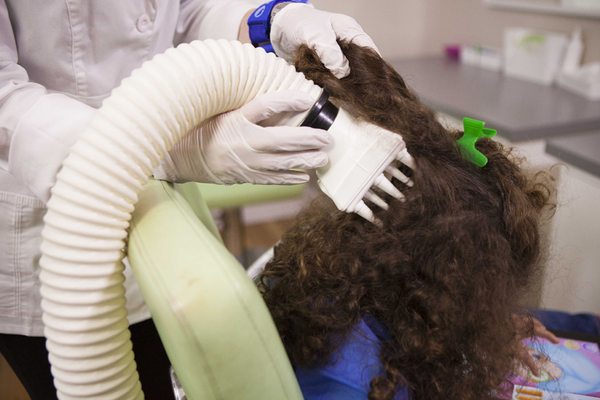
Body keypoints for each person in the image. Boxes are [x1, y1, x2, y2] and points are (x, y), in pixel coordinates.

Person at [0, 1, 378, 398]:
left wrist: (270, 20)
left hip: (159, 212)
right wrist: (167, 148)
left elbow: (188, 11)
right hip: (52, 224)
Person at [259, 41, 558, 400]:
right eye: (486, 300)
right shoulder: (361, 385)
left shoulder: (332, 280)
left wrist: (483, 330)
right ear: (445, 293)